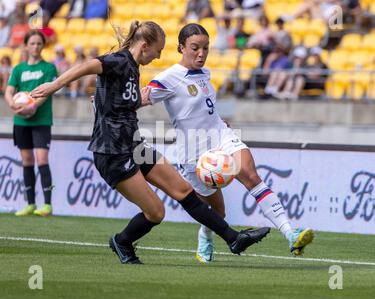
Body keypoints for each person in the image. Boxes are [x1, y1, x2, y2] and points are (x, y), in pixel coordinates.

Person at [31, 20, 270, 265]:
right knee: (156, 212)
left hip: (135, 146)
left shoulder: (133, 68)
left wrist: (116, 101)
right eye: (157, 50)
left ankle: (234, 239)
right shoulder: (120, 61)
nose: (157, 57)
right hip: (112, 153)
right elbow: (90, 65)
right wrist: (55, 85)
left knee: (184, 191)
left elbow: (122, 103)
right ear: (144, 45)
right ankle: (122, 241)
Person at [146, 23, 314, 263]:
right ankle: (205, 235)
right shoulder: (168, 78)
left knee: (251, 176)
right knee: (218, 212)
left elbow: (205, 108)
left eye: (205, 48)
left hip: (220, 135)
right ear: (181, 47)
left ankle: (290, 233)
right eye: (195, 48)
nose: (201, 53)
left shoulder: (205, 73)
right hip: (194, 153)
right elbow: (140, 98)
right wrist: (107, 100)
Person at [4, 30, 58, 217]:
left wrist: (32, 106)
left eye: (39, 43)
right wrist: (13, 105)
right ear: (26, 46)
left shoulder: (49, 68)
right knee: (27, 161)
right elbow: (9, 91)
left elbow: (47, 92)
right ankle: (30, 204)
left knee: (42, 160)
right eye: (32, 43)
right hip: (21, 121)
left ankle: (48, 205)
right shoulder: (18, 69)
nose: (35, 47)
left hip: (41, 120)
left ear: (43, 46)